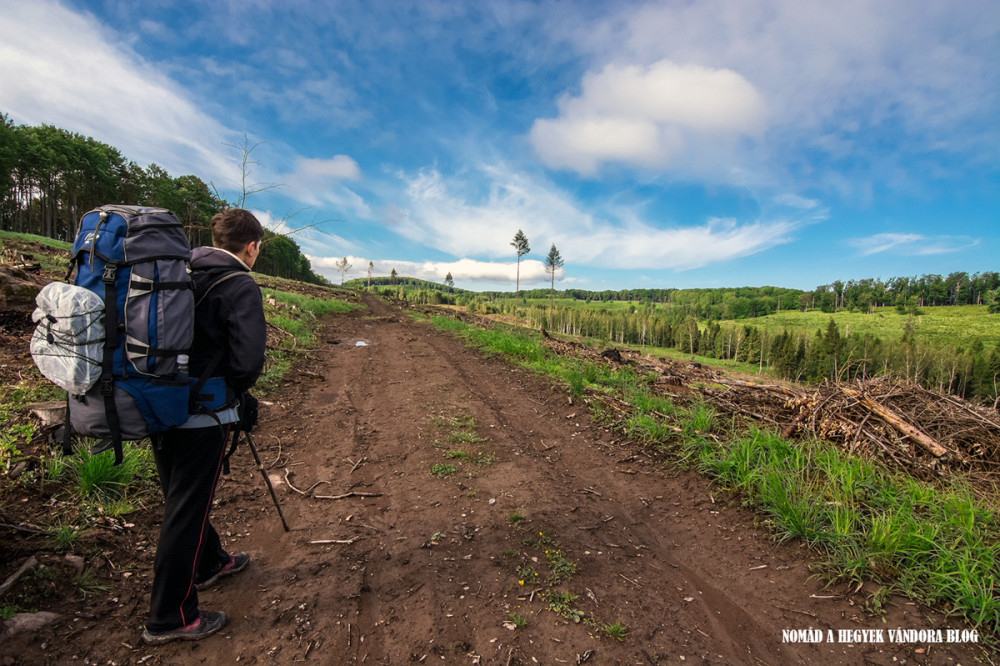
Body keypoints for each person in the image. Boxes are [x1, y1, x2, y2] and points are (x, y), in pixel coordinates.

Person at [142, 209, 267, 644]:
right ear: (251, 246)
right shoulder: (238, 283)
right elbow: (248, 360)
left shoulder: (176, 272)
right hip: (204, 412)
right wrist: (237, 390)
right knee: (187, 508)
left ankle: (209, 563)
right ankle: (169, 617)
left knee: (181, 497)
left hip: (155, 401)